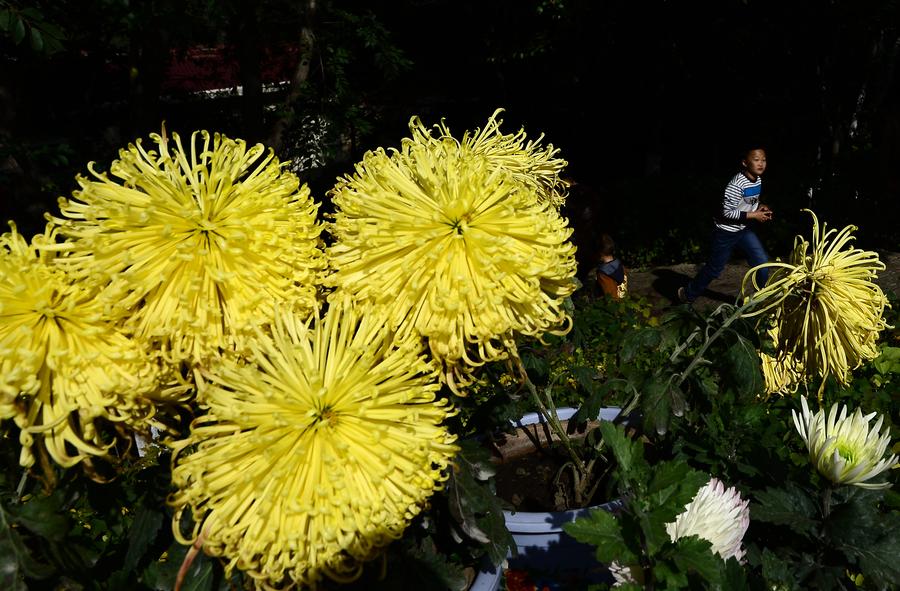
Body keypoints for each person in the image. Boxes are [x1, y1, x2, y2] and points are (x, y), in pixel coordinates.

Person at [678, 147, 772, 304]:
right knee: (714, 269)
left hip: (743, 229)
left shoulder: (758, 179)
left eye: (763, 160)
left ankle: (758, 300)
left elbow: (750, 203)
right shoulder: (736, 185)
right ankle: (687, 294)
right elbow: (726, 213)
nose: (761, 163)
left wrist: (761, 207)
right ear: (745, 162)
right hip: (725, 232)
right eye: (756, 160)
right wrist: (754, 215)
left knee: (762, 263)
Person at [593, 233, 628, 299]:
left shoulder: (603, 274)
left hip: (612, 307)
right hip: (624, 302)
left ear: (599, 252)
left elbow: (610, 297)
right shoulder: (620, 266)